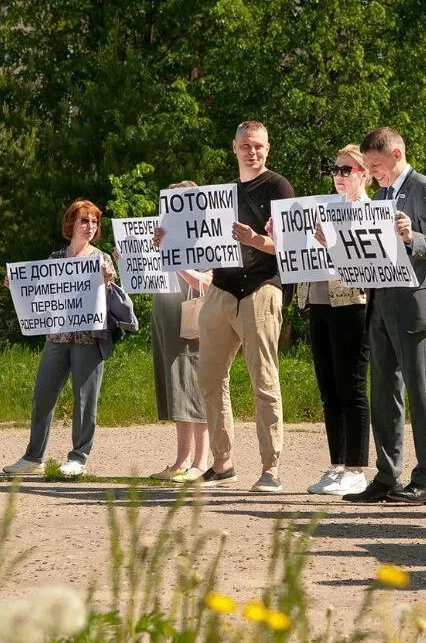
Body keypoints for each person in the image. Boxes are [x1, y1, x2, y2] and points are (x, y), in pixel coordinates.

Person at [343, 127, 426, 506]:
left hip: (416, 304)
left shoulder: (424, 188)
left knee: (420, 394)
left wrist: (411, 237)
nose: (372, 173)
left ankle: (425, 479)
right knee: (384, 392)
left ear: (397, 153)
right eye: (368, 167)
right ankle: (387, 475)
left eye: (375, 165)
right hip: (381, 302)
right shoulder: (383, 194)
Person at [196, 121, 295, 492]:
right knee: (208, 379)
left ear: (267, 148)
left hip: (261, 288)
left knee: (263, 380)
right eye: (245, 146)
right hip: (221, 288)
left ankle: (271, 469)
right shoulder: (220, 193)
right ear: (233, 148)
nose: (252, 152)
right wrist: (168, 238)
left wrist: (259, 241)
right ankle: (222, 463)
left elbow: (293, 243)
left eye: (258, 146)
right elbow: (197, 240)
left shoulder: (278, 186)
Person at [2, 200, 119, 478]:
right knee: (43, 395)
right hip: (57, 336)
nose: (90, 227)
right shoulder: (55, 259)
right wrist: (16, 285)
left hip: (88, 339)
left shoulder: (102, 259)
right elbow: (37, 296)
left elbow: (110, 299)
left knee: (84, 399)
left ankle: (78, 457)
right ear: (71, 224)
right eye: (84, 221)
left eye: (94, 222)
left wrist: (109, 280)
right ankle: (33, 457)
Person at [301, 145, 371, 496]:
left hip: (352, 302)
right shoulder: (322, 208)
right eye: (337, 169)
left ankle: (357, 467)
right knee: (329, 389)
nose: (339, 176)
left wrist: (333, 242)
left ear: (364, 174)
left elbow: (366, 261)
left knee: (352, 386)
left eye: (347, 170)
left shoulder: (370, 212)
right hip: (318, 300)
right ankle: (337, 464)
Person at [146, 181, 212, 484]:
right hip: (164, 315)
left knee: (195, 385)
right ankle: (181, 459)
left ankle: (201, 461)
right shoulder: (164, 237)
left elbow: (208, 282)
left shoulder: (207, 240)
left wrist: (177, 261)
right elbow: (145, 272)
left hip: (193, 317)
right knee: (176, 387)